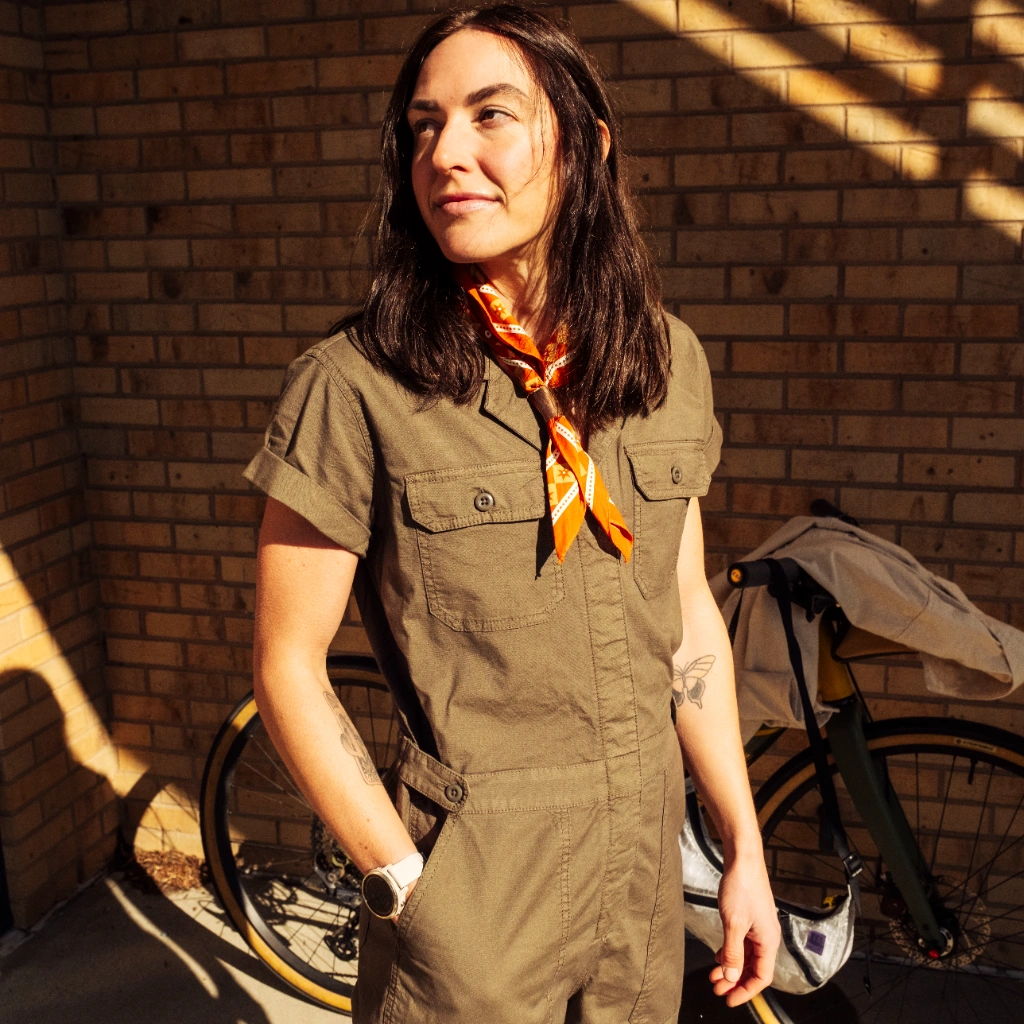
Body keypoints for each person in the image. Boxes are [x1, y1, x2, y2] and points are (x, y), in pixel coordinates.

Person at [243, 4, 780, 1023]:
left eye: (490, 115)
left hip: (641, 877)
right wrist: (407, 886)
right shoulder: (354, 385)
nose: (446, 153)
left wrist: (740, 848)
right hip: (473, 893)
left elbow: (685, 621)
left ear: (584, 146)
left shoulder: (666, 360)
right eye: (424, 125)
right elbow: (286, 667)